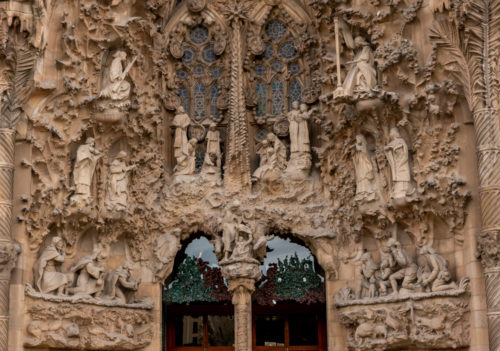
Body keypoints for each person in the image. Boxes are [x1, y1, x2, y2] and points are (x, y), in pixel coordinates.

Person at [384, 128, 411, 199]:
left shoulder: (401, 141)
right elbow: (386, 148)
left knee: (403, 175)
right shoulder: (392, 143)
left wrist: (402, 161)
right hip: (396, 162)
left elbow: (405, 153)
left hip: (402, 161)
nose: (391, 134)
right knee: (397, 176)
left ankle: (404, 190)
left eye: (392, 132)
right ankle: (397, 191)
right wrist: (389, 148)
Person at [354, 135, 376, 201]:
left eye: (358, 139)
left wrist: (361, 149)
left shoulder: (365, 146)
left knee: (365, 177)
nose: (357, 141)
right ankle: (362, 193)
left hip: (365, 165)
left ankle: (368, 192)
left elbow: (367, 154)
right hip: (360, 167)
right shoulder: (358, 151)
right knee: (361, 178)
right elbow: (356, 159)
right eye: (356, 139)